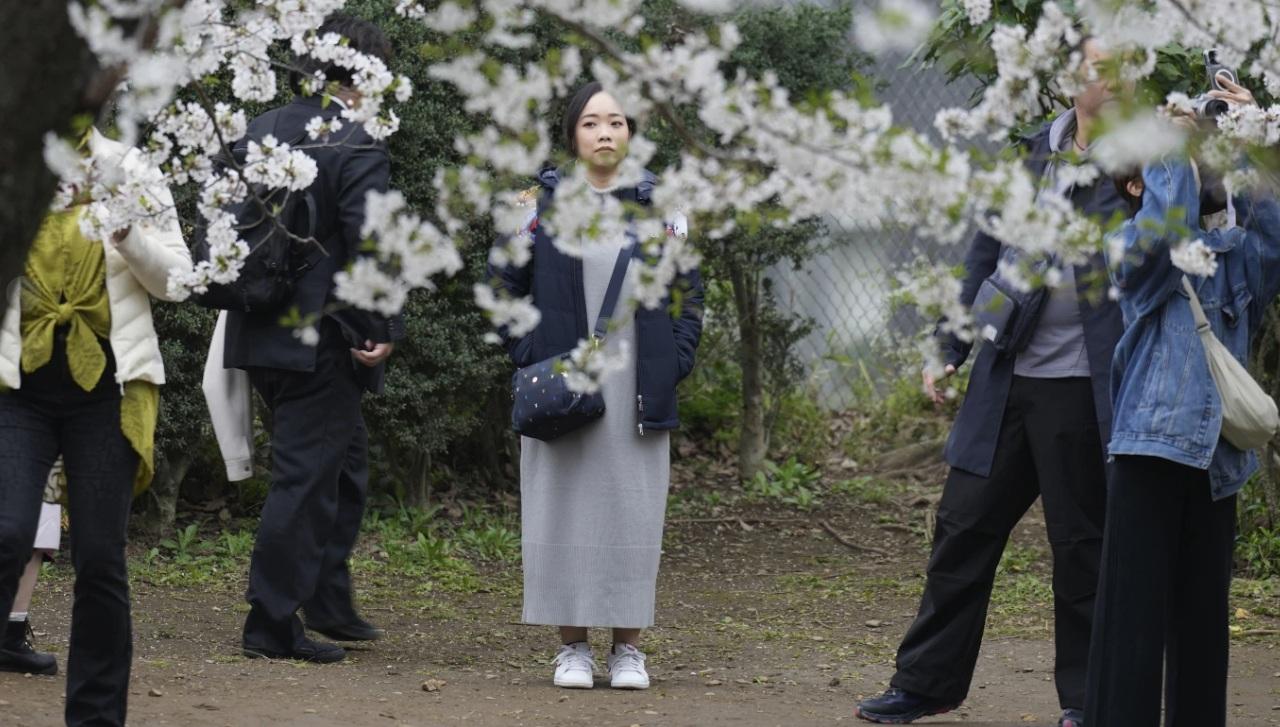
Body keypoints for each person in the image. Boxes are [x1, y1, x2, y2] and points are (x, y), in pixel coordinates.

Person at [855, 37, 1126, 727]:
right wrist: (947, 344)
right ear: (1071, 79)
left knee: (1082, 546)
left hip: (1083, 385)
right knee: (962, 528)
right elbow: (982, 252)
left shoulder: (1141, 163)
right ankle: (927, 681)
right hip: (1005, 375)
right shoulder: (1033, 153)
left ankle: (1087, 701)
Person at [489, 81, 704, 690]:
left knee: (632, 509)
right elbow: (501, 286)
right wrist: (533, 353)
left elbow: (689, 292)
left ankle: (628, 649)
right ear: (571, 135)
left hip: (637, 383)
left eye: (615, 121)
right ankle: (573, 648)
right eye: (590, 122)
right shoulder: (535, 204)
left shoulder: (663, 203)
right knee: (563, 509)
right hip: (566, 382)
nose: (605, 132)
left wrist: (674, 359)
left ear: (631, 132)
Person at [1086, 78, 1273, 727]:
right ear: (1141, 184)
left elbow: (1270, 238)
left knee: (1202, 635)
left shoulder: (1233, 257)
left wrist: (1250, 140)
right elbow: (1167, 238)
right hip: (1152, 447)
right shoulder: (1133, 247)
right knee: (1130, 632)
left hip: (1218, 460)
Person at [220, 13, 402, 664]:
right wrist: (377, 328)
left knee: (342, 465)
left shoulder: (258, 127)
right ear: (366, 72)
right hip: (322, 337)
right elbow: (369, 239)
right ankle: (271, 620)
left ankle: (327, 597)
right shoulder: (354, 138)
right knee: (304, 476)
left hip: (255, 330)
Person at [0, 127, 190, 726]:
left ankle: (96, 718)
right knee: (5, 533)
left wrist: (125, 228)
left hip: (107, 391)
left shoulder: (129, 168)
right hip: (16, 390)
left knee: (102, 557)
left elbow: (178, 281)